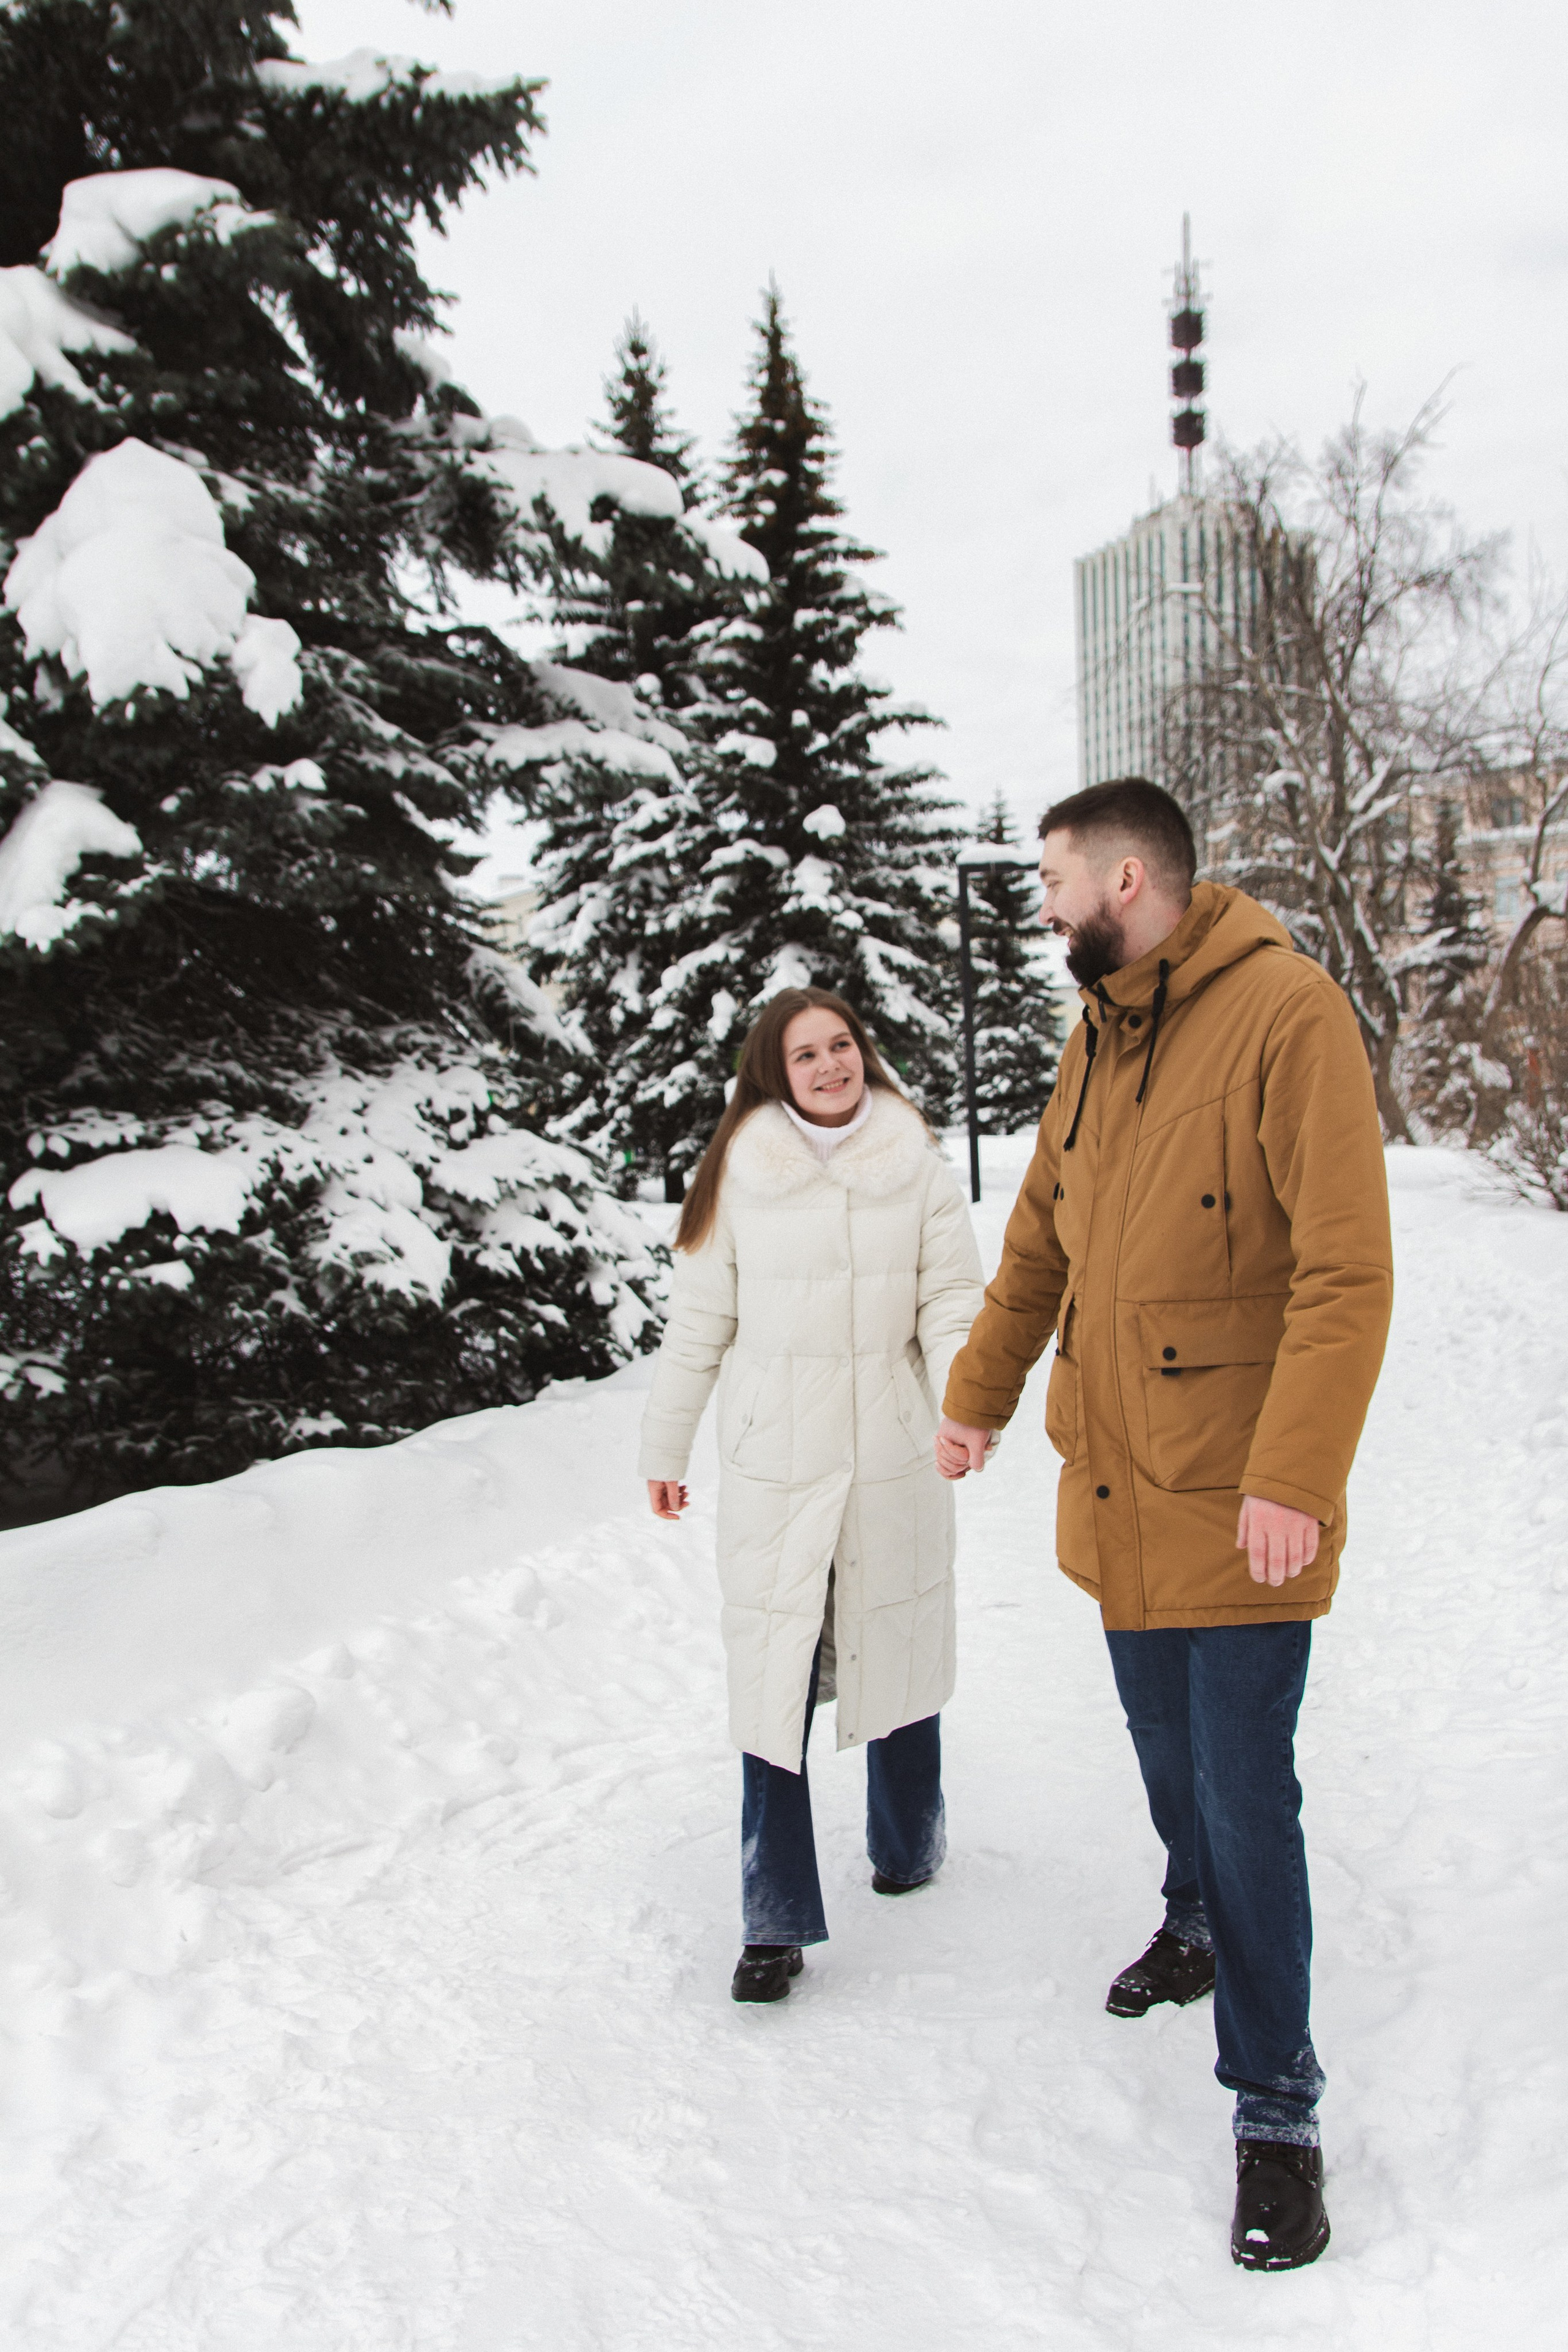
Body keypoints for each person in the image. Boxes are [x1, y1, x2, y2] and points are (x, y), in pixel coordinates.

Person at [936, 777, 1393, 2272]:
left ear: (1127, 881)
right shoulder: (1097, 1035)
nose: (1044, 912)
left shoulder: (1286, 1015)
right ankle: (1189, 1917)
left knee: (1242, 1785)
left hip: (1241, 1497)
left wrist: (1293, 1478)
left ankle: (1275, 2108)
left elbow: (1342, 1274)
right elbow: (1036, 1248)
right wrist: (977, 1396)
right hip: (1123, 1486)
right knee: (1158, 1750)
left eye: (1055, 886)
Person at [640, 987, 983, 2003]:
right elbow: (697, 1322)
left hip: (892, 1451)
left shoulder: (916, 1168)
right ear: (773, 1073)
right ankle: (773, 1918)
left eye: (842, 1046)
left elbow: (952, 1299)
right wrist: (666, 1445)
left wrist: (968, 1404)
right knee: (774, 1674)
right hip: (773, 1464)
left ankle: (908, 1843)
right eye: (806, 1055)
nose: (831, 1066)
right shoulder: (739, 1174)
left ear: (863, 1054)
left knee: (898, 1637)